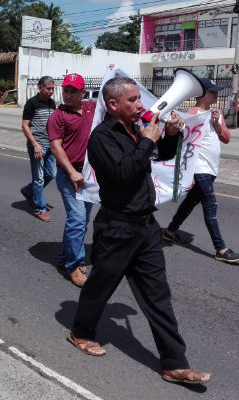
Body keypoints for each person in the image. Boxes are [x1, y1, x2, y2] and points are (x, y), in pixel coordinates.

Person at [67, 76, 211, 385]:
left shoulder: (135, 130)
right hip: (117, 227)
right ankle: (80, 332)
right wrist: (147, 140)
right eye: (132, 100)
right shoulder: (102, 138)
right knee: (100, 287)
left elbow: (160, 157)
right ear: (114, 104)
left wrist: (169, 135)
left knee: (158, 295)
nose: (140, 105)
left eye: (138, 99)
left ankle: (174, 363)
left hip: (146, 227)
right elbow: (123, 172)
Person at [163, 79, 239, 264]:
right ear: (203, 94)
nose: (216, 95)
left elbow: (226, 138)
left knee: (190, 202)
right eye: (213, 92)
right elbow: (184, 145)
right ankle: (221, 249)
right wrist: (189, 173)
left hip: (211, 167)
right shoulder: (192, 114)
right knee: (211, 205)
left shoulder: (216, 113)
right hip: (200, 168)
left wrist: (217, 123)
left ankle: (170, 232)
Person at [48, 73, 95, 287]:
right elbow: (56, 147)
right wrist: (71, 172)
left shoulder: (92, 108)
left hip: (89, 175)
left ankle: (64, 258)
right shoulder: (57, 116)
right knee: (76, 219)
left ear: (82, 93)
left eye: (73, 91)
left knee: (82, 222)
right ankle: (74, 265)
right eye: (66, 90)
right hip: (69, 176)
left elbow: (113, 99)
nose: (67, 94)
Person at [20, 76, 57, 222]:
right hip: (37, 146)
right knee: (39, 178)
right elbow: (25, 126)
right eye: (48, 88)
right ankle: (40, 209)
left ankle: (28, 191)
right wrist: (35, 145)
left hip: (50, 145)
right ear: (40, 87)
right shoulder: (32, 103)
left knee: (52, 174)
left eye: (53, 88)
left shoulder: (52, 103)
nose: (51, 91)